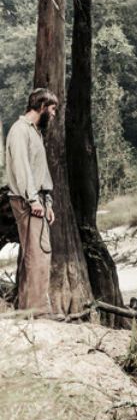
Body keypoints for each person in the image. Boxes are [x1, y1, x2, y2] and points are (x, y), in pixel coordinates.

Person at [5, 88, 57, 311]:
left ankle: (31, 308)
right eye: (53, 109)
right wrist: (33, 200)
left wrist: (48, 202)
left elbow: (40, 171)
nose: (54, 115)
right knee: (37, 255)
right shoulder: (20, 130)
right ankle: (36, 310)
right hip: (27, 201)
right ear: (43, 106)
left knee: (38, 254)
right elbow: (22, 168)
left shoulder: (34, 131)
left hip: (38, 200)